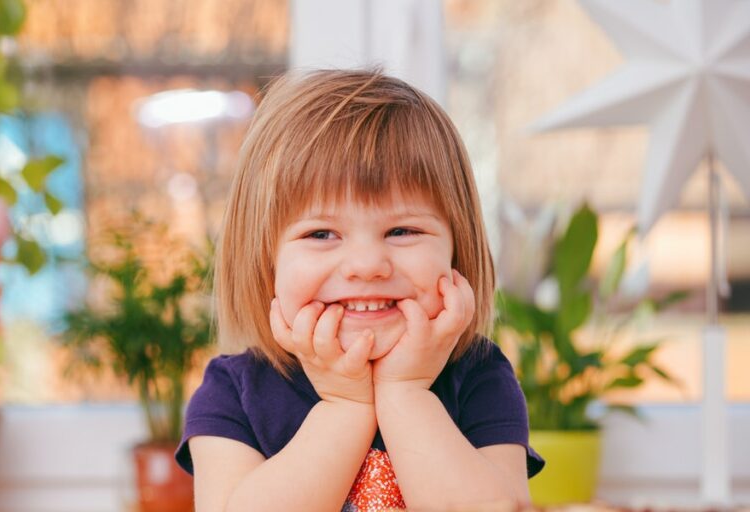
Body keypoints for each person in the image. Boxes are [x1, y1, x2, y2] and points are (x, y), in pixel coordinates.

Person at [175, 69, 545, 511]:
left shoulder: (479, 376)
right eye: (322, 234)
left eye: (402, 230)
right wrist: (343, 407)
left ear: (457, 251)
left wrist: (406, 392)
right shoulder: (234, 391)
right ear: (265, 260)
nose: (368, 266)